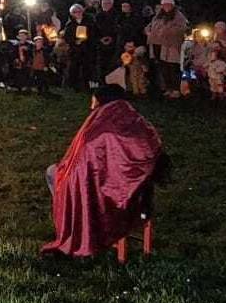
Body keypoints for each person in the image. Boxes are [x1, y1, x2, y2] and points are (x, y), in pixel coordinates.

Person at [43, 85, 166, 258]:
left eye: (93, 102)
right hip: (139, 199)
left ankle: (77, 226)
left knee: (53, 173)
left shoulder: (99, 131)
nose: (91, 107)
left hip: (110, 203)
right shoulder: (140, 123)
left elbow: (82, 173)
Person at [144, 0, 190, 98]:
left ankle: (176, 89)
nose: (166, 6)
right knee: (163, 67)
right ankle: (168, 88)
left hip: (171, 46)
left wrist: (166, 32)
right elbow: (150, 26)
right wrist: (148, 32)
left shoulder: (178, 16)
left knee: (172, 67)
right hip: (158, 45)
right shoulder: (158, 16)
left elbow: (182, 28)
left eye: (168, 4)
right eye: (164, 4)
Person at [63, 4, 96, 91]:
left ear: (82, 12)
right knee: (74, 68)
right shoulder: (69, 24)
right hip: (75, 50)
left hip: (87, 49)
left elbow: (93, 34)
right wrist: (74, 41)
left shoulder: (89, 22)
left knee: (87, 68)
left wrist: (86, 40)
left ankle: (88, 86)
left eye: (79, 11)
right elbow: (67, 37)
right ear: (72, 13)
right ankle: (74, 86)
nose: (77, 13)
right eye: (74, 12)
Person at [95, 0, 119, 79]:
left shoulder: (116, 15)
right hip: (100, 44)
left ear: (112, 4)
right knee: (101, 65)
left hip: (114, 44)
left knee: (112, 65)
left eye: (108, 3)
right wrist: (100, 39)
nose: (105, 5)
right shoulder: (98, 16)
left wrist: (111, 38)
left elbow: (117, 29)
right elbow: (95, 30)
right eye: (104, 3)